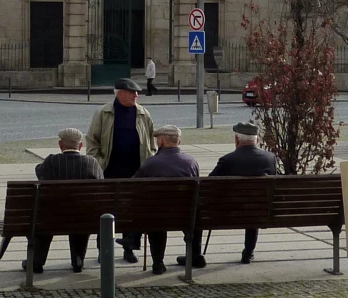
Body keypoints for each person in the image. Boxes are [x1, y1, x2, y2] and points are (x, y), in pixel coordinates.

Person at [178, 121, 277, 267]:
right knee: (254, 204)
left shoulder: (228, 160)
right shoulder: (270, 158)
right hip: (259, 211)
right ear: (257, 140)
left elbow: (207, 185)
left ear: (236, 140)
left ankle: (195, 255)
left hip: (227, 213)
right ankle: (248, 253)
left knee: (196, 211)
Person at [117, 124, 203, 275]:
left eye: (158, 139)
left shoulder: (151, 164)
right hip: (186, 216)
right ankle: (195, 255)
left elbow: (131, 186)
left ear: (162, 141)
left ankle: (157, 263)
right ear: (178, 142)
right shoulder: (191, 162)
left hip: (157, 217)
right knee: (194, 212)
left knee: (154, 216)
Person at [86, 77, 155, 263]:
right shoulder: (103, 113)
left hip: (136, 170)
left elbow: (151, 141)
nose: (136, 95)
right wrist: (99, 163)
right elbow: (92, 141)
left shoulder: (143, 113)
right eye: (132, 92)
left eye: (137, 92)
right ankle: (104, 250)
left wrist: (148, 162)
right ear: (120, 93)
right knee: (106, 211)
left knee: (132, 211)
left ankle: (129, 249)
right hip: (110, 170)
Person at [21, 127, 103, 274]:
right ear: (80, 146)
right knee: (81, 213)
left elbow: (39, 172)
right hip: (83, 219)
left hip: (52, 218)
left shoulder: (52, 161)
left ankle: (36, 261)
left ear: (60, 145)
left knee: (44, 217)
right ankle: (78, 260)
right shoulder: (91, 163)